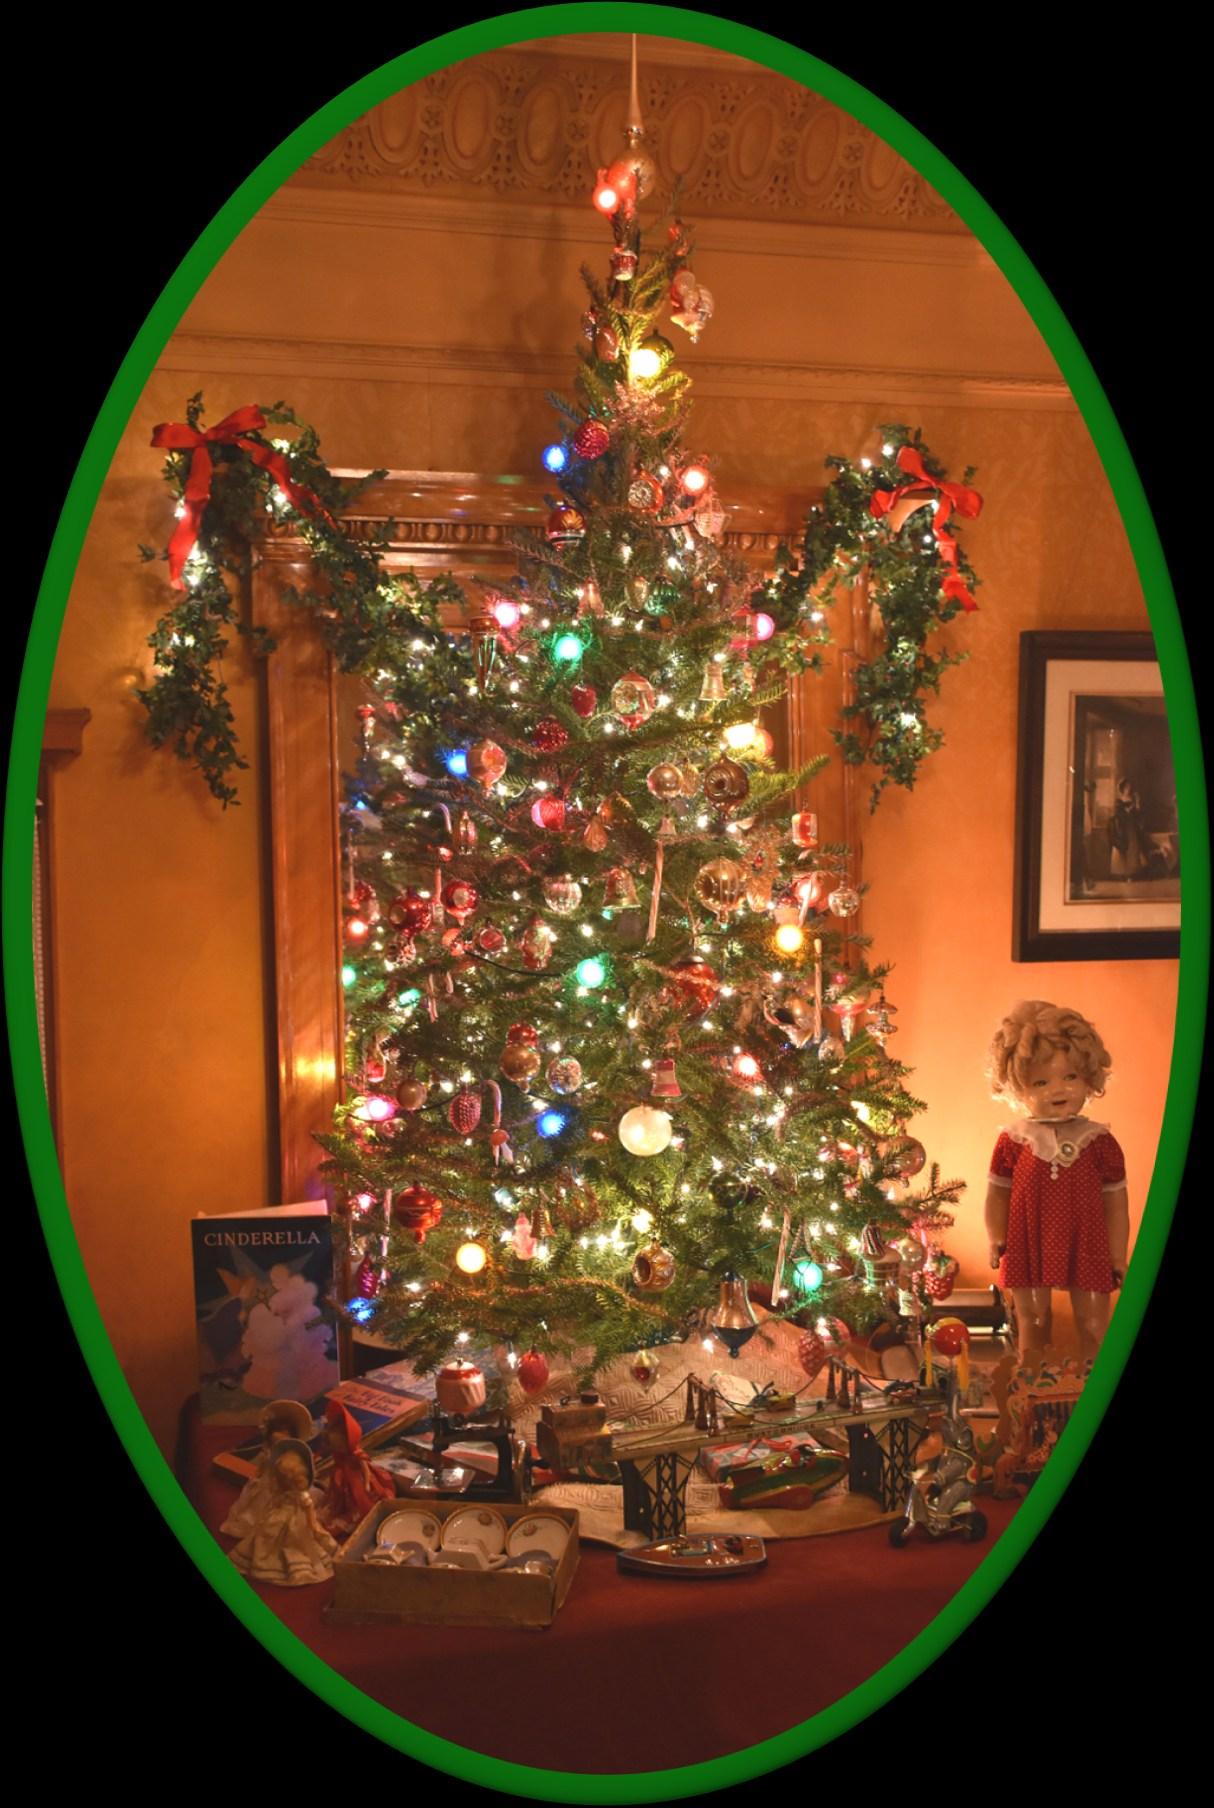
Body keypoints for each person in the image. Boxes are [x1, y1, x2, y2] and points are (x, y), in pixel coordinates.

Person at [984, 1001, 1129, 1363]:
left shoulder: (1100, 1141)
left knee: (1094, 1325)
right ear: (1018, 1086)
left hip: (1087, 1240)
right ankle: (1033, 1389)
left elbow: (1115, 1203)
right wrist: (996, 1237)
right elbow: (997, 1195)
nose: (1057, 1090)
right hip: (1028, 1239)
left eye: (1071, 1077)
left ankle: (1093, 1385)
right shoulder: (1014, 1140)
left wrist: (1117, 1254)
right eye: (1040, 1082)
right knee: (1033, 1321)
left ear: (1089, 1076)